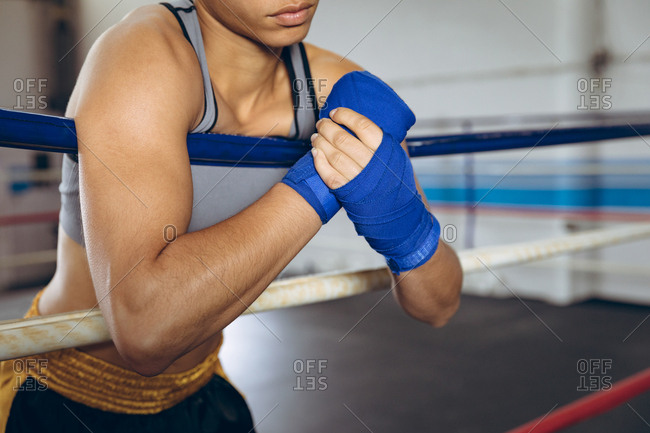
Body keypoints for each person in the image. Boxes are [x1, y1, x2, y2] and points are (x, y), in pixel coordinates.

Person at [0, 0, 462, 431]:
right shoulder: (143, 55)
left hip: (205, 389)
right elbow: (144, 330)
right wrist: (318, 184)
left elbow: (438, 304)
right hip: (61, 395)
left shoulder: (340, 89)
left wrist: (403, 225)